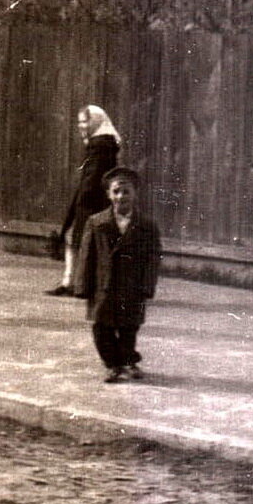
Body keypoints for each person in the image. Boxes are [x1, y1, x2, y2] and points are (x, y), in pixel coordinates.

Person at [73, 166, 161, 383]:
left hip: (132, 287)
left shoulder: (147, 226)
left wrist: (147, 286)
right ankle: (112, 364)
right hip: (103, 286)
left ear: (135, 193)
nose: (121, 196)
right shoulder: (96, 223)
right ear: (108, 194)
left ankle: (129, 360)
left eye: (126, 191)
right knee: (101, 327)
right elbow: (86, 256)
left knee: (129, 327)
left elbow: (153, 259)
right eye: (116, 191)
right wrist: (82, 285)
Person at [47, 104, 121, 296]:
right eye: (79, 122)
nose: (81, 126)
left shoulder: (100, 145)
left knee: (80, 239)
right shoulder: (102, 143)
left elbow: (94, 176)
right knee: (77, 239)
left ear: (95, 122)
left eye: (85, 121)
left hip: (92, 201)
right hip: (93, 198)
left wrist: (83, 197)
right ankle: (73, 282)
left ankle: (77, 283)